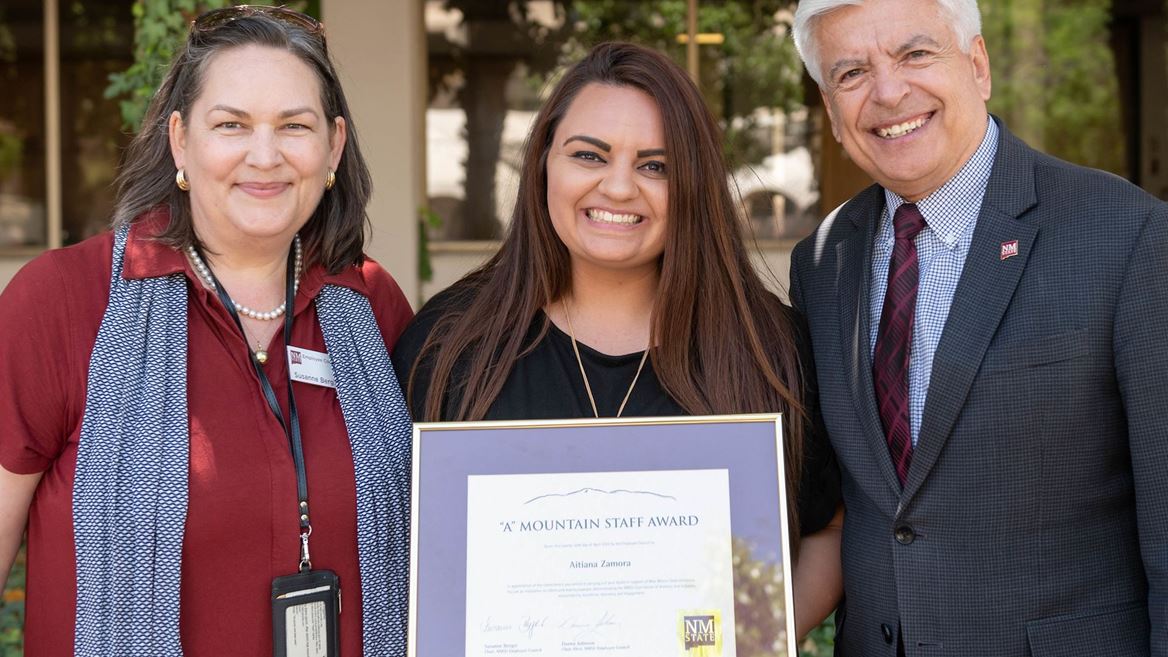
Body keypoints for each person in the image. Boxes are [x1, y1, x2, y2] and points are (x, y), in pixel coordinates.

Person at [392, 41, 843, 639]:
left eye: (655, 165)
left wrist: (749, 643)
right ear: (544, 163)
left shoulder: (767, 348)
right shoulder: (449, 344)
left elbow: (827, 532)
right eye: (589, 155)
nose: (620, 187)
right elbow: (398, 556)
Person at [0, 7, 413, 656]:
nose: (265, 155)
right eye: (231, 125)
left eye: (294, 126)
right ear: (180, 140)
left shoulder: (371, 304)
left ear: (332, 147)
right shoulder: (61, 304)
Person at [789, 0, 1168, 654]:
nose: (888, 90)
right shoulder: (822, 262)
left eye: (915, 54)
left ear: (979, 65)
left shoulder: (1126, 236)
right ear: (830, 108)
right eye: (851, 73)